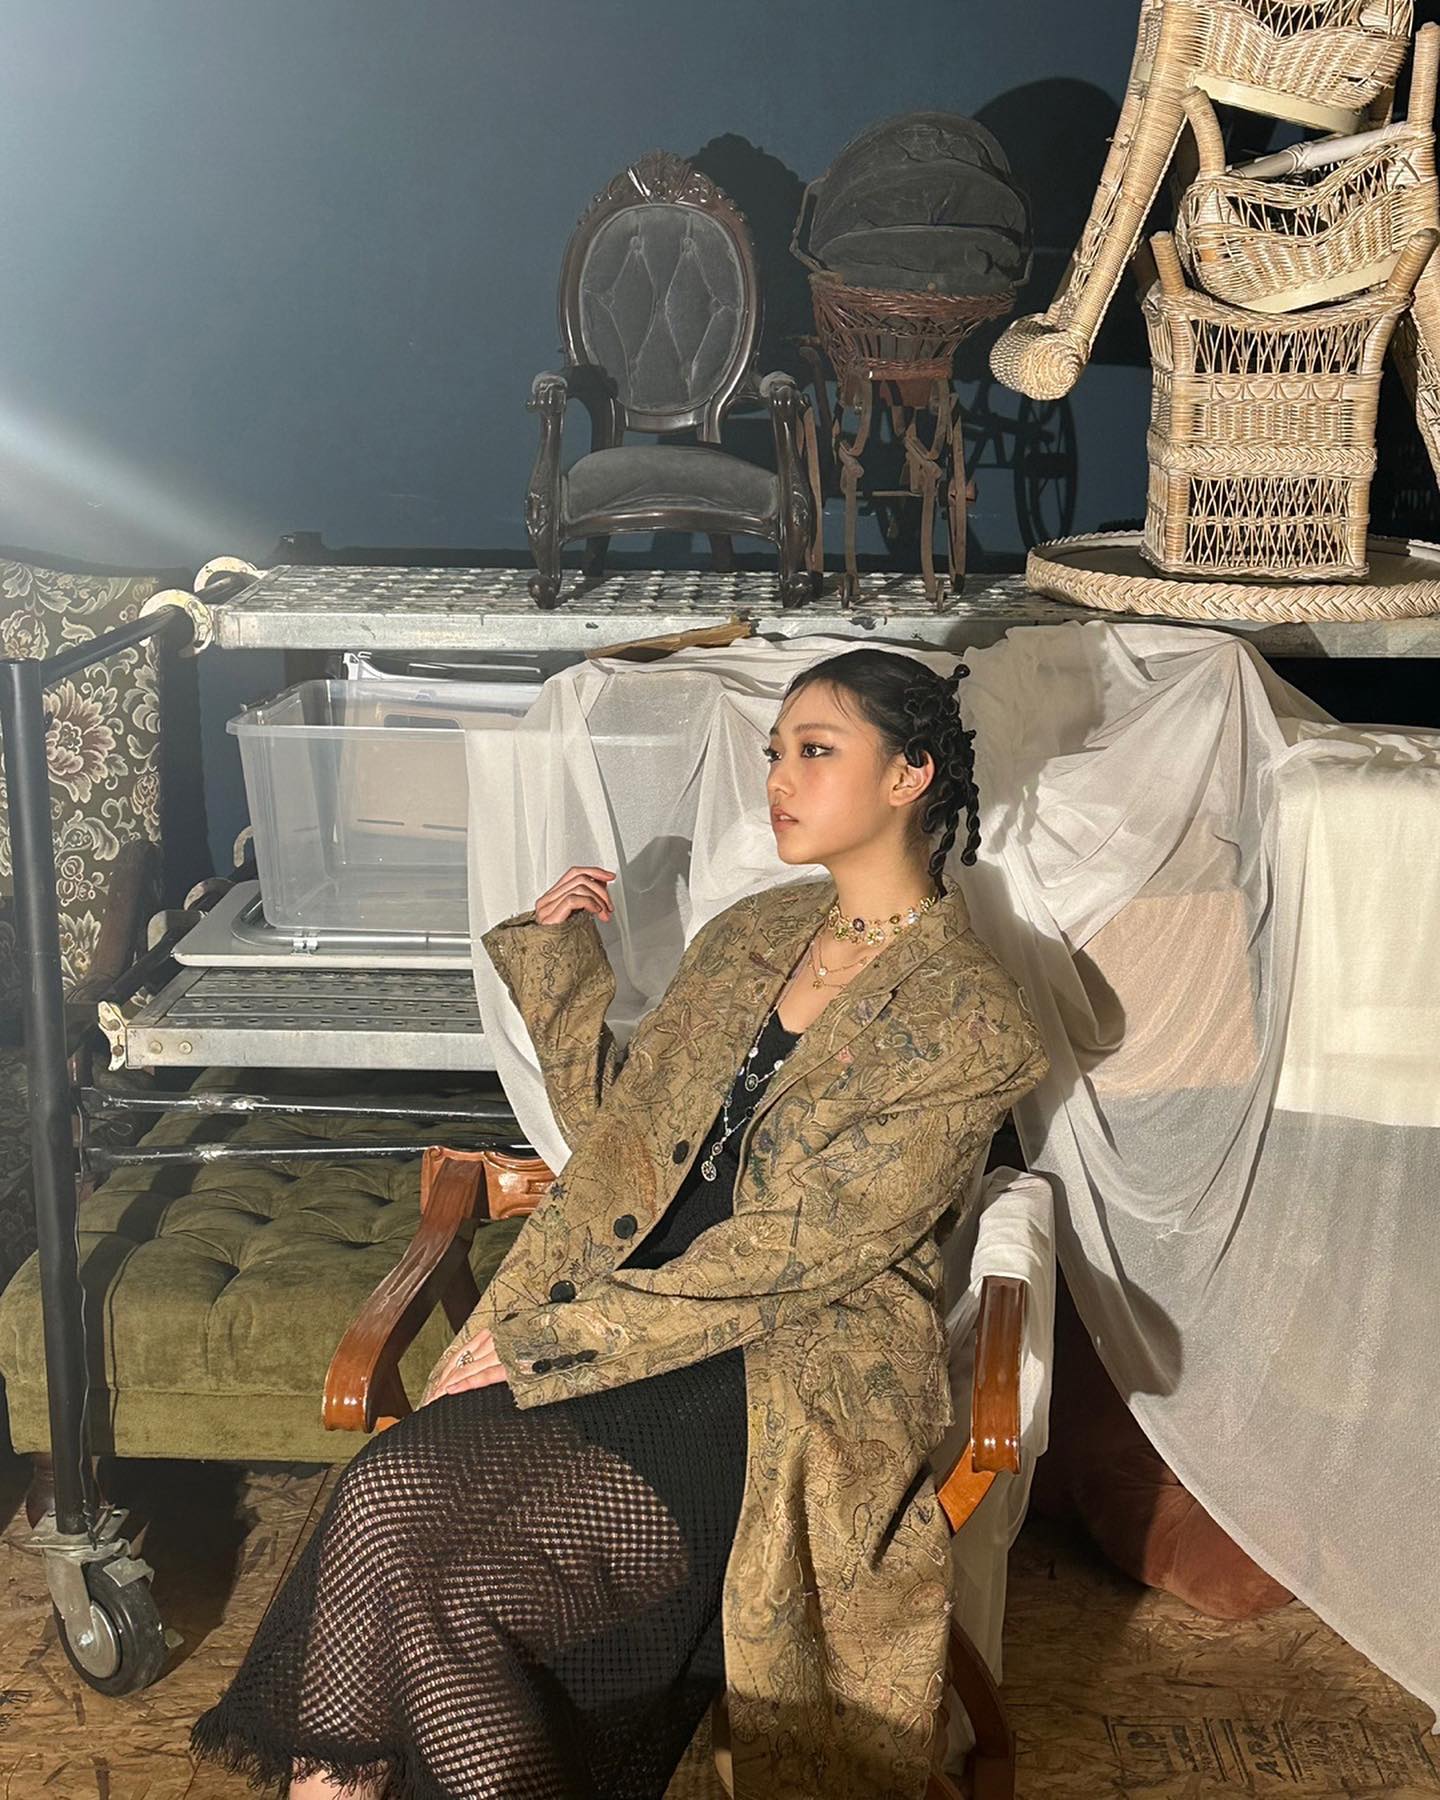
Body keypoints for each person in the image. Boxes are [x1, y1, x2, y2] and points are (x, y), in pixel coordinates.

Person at [190, 646, 1049, 1800]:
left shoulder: (972, 1018)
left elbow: (802, 1252)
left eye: (815, 751)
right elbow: (628, 1147)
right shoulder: (752, 938)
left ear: (911, 775)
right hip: (621, 1313)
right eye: (774, 752)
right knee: (381, 1498)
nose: (779, 779)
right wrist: (560, 973)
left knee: (464, 1600)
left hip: (783, 1373)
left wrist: (554, 1339)